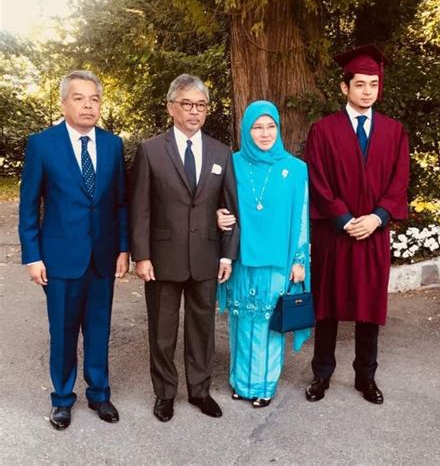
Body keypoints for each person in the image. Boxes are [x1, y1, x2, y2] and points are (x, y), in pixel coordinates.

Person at [18, 70, 129, 430]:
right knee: (63, 330)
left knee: (99, 328)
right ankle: (63, 399)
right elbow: (29, 204)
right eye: (79, 98)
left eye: (94, 99)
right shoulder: (42, 144)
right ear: (64, 101)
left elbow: (120, 203)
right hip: (60, 257)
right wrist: (32, 255)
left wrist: (123, 249)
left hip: (102, 255)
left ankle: (99, 393)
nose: (88, 105)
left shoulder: (113, 145)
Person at [303, 44, 410, 405]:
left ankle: (366, 376)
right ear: (344, 87)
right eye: (360, 84)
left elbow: (399, 182)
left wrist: (378, 217)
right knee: (327, 307)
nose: (367, 91)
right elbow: (317, 180)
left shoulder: (395, 132)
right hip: (335, 233)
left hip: (373, 234)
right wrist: (345, 219)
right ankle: (321, 375)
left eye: (373, 84)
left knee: (369, 308)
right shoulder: (323, 130)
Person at [130, 74, 240, 422]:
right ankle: (164, 394)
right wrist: (141, 255)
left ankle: (200, 390)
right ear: (171, 107)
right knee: (162, 332)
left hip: (206, 257)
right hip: (162, 258)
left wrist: (227, 253)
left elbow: (231, 209)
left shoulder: (222, 152)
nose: (195, 112)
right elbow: (140, 208)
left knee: (202, 330)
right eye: (187, 104)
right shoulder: (150, 150)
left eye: (201, 105)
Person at [217, 100, 311, 408]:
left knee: (269, 324)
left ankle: (264, 386)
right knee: (242, 321)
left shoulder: (296, 169)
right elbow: (219, 203)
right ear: (246, 130)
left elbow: (301, 217)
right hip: (242, 258)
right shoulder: (232, 164)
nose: (265, 133)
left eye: (271, 126)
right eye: (257, 127)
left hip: (278, 261)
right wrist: (219, 217)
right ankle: (240, 382)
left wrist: (299, 260)